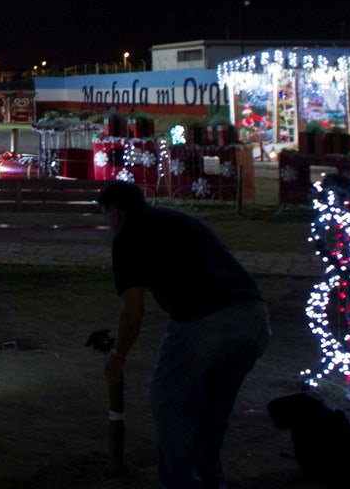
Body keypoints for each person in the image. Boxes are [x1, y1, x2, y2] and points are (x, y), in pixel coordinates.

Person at [96, 179, 270, 489]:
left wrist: (118, 356)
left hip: (201, 320)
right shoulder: (180, 219)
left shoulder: (127, 236)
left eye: (107, 215)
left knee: (170, 405)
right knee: (213, 408)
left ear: (117, 212)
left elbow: (133, 312)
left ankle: (182, 482)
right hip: (252, 318)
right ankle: (210, 479)